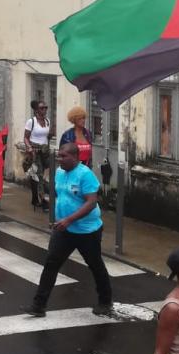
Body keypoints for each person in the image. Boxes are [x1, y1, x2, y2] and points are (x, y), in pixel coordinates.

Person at [21, 142, 113, 317]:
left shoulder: (85, 175)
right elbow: (61, 195)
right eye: (59, 155)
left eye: (64, 156)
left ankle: (105, 301)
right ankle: (38, 305)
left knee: (95, 265)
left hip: (87, 231)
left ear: (75, 157)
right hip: (64, 229)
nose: (59, 159)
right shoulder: (60, 173)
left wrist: (69, 219)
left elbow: (91, 202)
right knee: (51, 264)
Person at [24, 100, 52, 211]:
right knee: (39, 174)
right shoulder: (31, 121)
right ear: (36, 110)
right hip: (35, 151)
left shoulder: (47, 121)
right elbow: (26, 137)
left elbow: (46, 137)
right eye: (42, 108)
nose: (44, 110)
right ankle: (43, 200)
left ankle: (37, 196)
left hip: (45, 150)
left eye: (46, 107)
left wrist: (50, 136)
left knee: (48, 173)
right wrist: (29, 148)